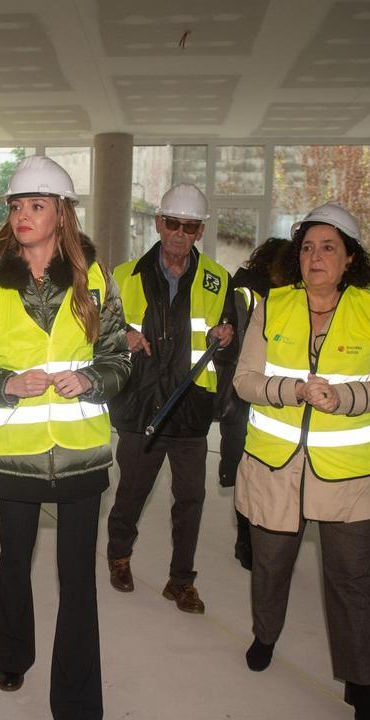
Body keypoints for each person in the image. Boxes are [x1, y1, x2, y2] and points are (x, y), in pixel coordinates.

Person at [0, 155, 130, 720]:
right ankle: (11, 655)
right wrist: (6, 385)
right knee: (13, 560)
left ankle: (80, 715)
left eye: (36, 205)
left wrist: (94, 381)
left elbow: (117, 360)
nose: (22, 216)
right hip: (16, 454)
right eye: (16, 206)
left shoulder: (96, 279)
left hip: (80, 454)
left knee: (78, 585)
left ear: (62, 214)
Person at [233, 202, 370, 720]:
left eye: (329, 247)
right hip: (275, 467)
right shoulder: (272, 305)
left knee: (352, 578)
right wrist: (289, 390)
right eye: (307, 247)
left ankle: (360, 680)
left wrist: (347, 398)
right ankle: (266, 635)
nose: (315, 256)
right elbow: (244, 379)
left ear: (350, 258)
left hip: (347, 476)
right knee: (270, 564)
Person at [104, 184, 234, 613]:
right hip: (141, 404)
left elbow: (233, 340)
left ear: (200, 231)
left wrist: (227, 338)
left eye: (190, 226)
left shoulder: (218, 280)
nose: (180, 233)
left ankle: (181, 581)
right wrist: (120, 336)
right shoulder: (123, 277)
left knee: (190, 501)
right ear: (159, 223)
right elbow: (95, 336)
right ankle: (119, 556)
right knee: (132, 492)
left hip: (190, 407)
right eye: (173, 223)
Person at [216, 237, 287, 570]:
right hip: (253, 390)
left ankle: (250, 542)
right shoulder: (260, 292)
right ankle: (249, 541)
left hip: (254, 390)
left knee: (253, 468)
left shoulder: (247, 286)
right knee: (253, 469)